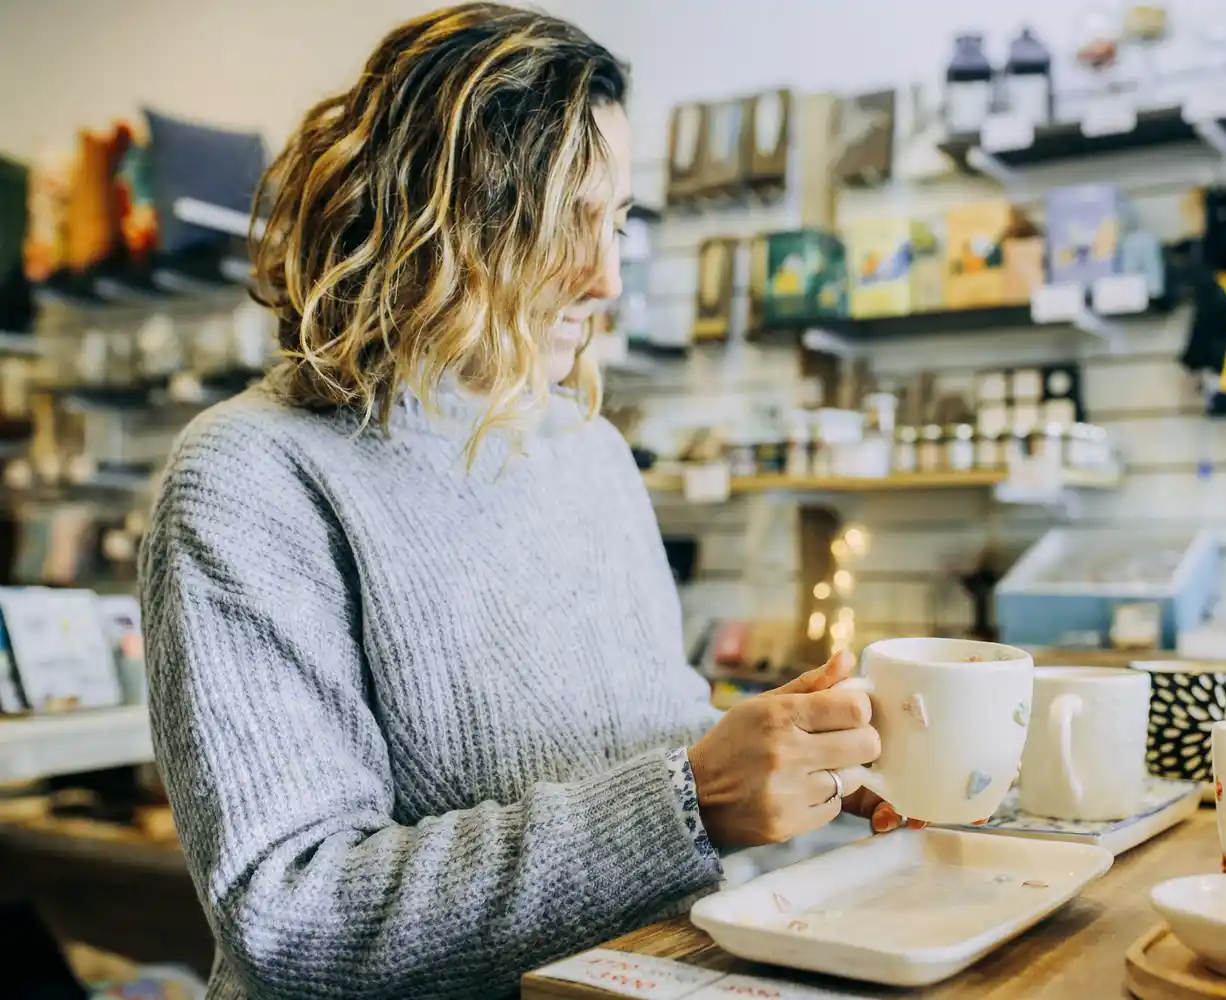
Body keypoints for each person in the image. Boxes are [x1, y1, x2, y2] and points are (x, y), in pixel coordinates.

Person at [139, 6, 919, 999]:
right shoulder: (252, 477)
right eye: (561, 222)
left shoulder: (587, 449)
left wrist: (810, 757)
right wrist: (691, 802)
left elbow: (648, 728)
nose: (605, 278)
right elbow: (291, 917)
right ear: (424, 213)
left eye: (619, 220)